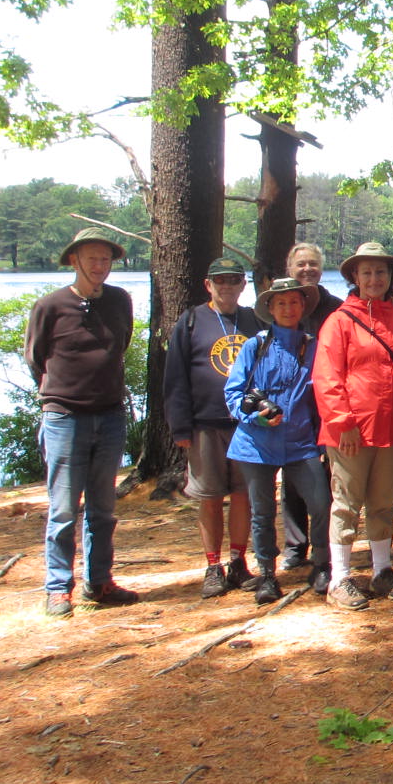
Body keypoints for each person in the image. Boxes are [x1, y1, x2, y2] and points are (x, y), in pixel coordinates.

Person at [26, 228, 139, 616]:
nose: (99, 265)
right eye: (91, 258)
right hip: (64, 416)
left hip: (110, 415)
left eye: (105, 259)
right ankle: (58, 588)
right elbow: (36, 357)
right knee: (63, 510)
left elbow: (120, 344)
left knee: (103, 508)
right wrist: (60, 395)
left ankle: (99, 582)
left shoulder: (119, 301)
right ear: (74, 260)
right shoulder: (50, 306)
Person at [313, 242, 393, 610]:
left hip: (392, 429)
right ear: (355, 277)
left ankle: (382, 570)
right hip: (351, 432)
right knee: (346, 504)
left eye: (380, 272)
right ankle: (340, 577)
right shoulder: (339, 321)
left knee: (383, 503)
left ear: (390, 276)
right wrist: (343, 422)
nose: (374, 279)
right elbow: (326, 377)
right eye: (367, 272)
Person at [164, 254, 264, 598]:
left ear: (243, 284)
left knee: (243, 495)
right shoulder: (193, 320)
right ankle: (212, 566)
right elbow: (175, 377)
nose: (227, 286)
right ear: (208, 285)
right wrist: (180, 427)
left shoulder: (253, 320)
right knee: (209, 497)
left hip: (247, 425)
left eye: (234, 280)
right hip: (205, 424)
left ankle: (238, 562)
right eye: (219, 280)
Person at [226, 277, 330, 603]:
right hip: (256, 444)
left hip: (301, 442)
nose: (288, 308)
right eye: (281, 303)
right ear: (270, 308)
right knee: (262, 512)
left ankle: (322, 565)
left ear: (303, 306)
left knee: (321, 503)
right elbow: (233, 393)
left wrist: (323, 440)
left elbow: (324, 394)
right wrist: (255, 416)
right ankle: (268, 576)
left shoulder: (314, 347)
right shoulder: (255, 346)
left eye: (294, 302)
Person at [280, 242, 343, 570]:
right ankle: (295, 545)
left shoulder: (336, 308)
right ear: (290, 269)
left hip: (328, 401)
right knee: (292, 475)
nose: (307, 270)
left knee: (328, 477)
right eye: (301, 264)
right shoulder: (282, 304)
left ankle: (327, 544)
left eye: (313, 264)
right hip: (291, 403)